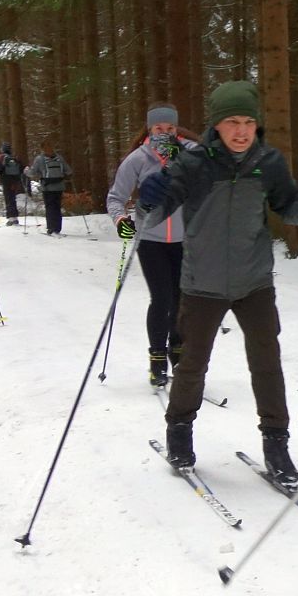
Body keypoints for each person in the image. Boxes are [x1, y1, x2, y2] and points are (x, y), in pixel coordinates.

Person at [137, 81, 298, 478]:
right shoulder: (194, 164)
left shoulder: (269, 162)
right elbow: (151, 217)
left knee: (267, 362)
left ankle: (276, 443)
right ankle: (179, 431)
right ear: (216, 125)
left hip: (254, 280)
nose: (241, 131)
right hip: (202, 282)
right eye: (232, 122)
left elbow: (287, 207)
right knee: (192, 363)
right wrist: (148, 198)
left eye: (248, 122)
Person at [108, 104, 200, 387]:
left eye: (170, 128)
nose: (164, 133)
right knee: (162, 299)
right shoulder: (138, 158)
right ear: (149, 130)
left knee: (181, 299)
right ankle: (157, 359)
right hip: (150, 239)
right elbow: (115, 197)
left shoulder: (191, 152)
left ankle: (178, 352)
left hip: (185, 239)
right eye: (159, 128)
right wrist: (121, 220)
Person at [27, 142, 72, 234]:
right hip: (59, 186)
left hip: (47, 186)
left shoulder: (40, 159)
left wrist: (26, 172)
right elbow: (68, 171)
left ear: (42, 149)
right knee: (57, 207)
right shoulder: (59, 158)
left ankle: (51, 228)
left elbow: (32, 172)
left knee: (50, 207)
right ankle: (57, 228)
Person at [0, 143, 26, 225]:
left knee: (8, 198)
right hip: (15, 180)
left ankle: (12, 218)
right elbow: (22, 168)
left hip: (6, 180)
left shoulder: (1, 157)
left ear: (2, 149)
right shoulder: (14, 158)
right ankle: (14, 217)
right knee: (12, 198)